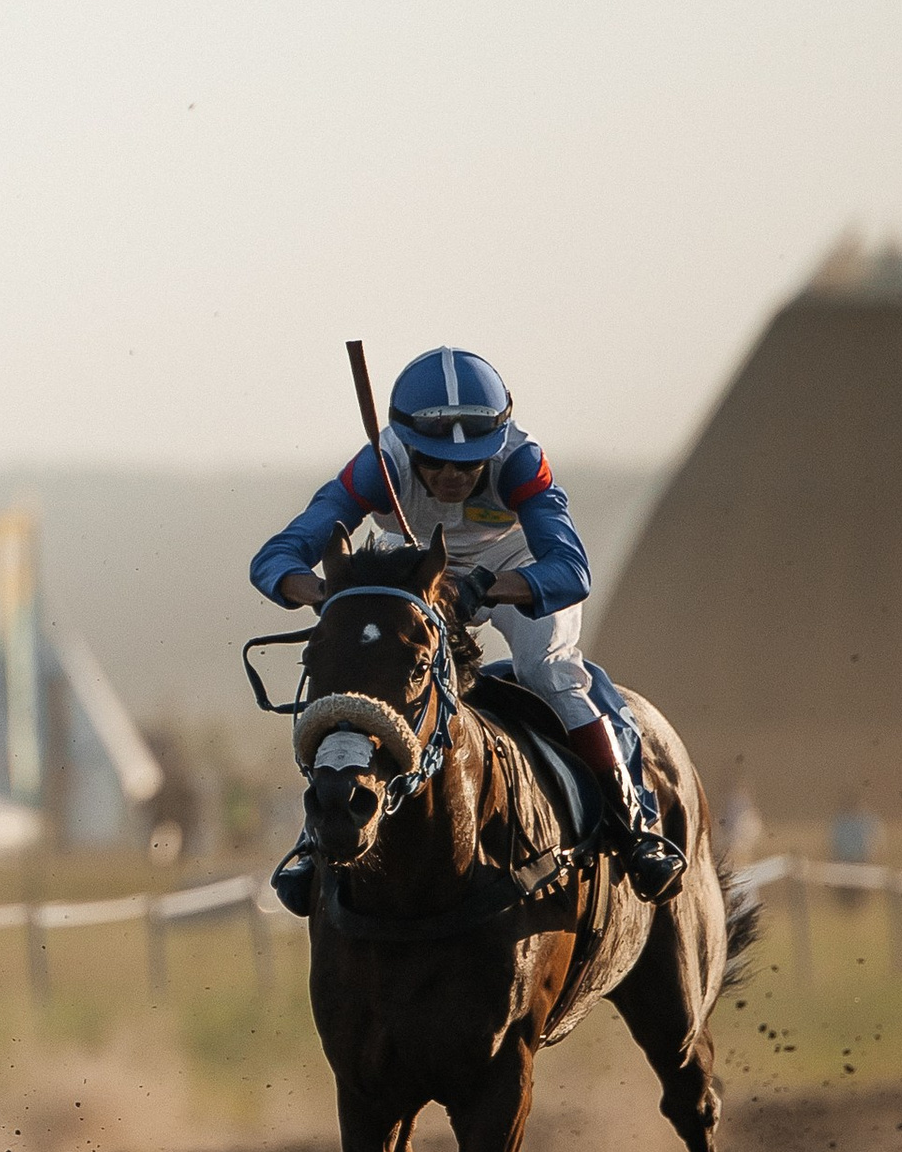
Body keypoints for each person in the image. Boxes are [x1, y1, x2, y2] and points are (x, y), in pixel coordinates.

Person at [250, 346, 685, 910]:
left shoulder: (521, 460)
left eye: (469, 463)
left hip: (514, 567)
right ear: (409, 447)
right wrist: (326, 595)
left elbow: (571, 571)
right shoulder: (379, 466)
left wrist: (488, 585)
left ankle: (634, 826)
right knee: (362, 679)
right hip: (408, 571)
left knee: (548, 672)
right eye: (436, 462)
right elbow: (277, 557)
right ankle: (315, 838)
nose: (453, 476)